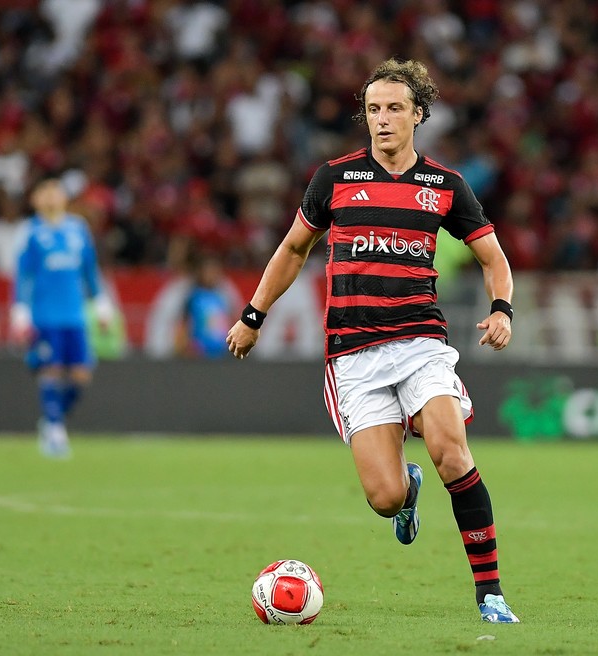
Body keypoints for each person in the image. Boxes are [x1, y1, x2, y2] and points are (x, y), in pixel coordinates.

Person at [226, 59, 519, 624]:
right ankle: (405, 493)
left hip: (421, 343)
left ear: (419, 115)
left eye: (394, 109)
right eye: (373, 110)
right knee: (383, 497)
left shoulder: (445, 186)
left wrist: (501, 310)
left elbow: (493, 257)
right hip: (354, 356)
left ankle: (491, 594)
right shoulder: (334, 179)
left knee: (450, 451)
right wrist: (253, 315)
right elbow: (292, 251)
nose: (382, 120)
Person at [11, 178, 114, 458]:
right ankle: (55, 431)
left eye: (55, 191)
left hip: (75, 316)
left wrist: (102, 305)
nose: (51, 197)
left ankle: (51, 420)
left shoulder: (78, 229)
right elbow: (24, 274)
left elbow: (90, 272)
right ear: (35, 200)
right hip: (45, 316)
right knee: (51, 370)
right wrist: (20, 311)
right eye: (44, 192)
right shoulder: (31, 232)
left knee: (81, 375)